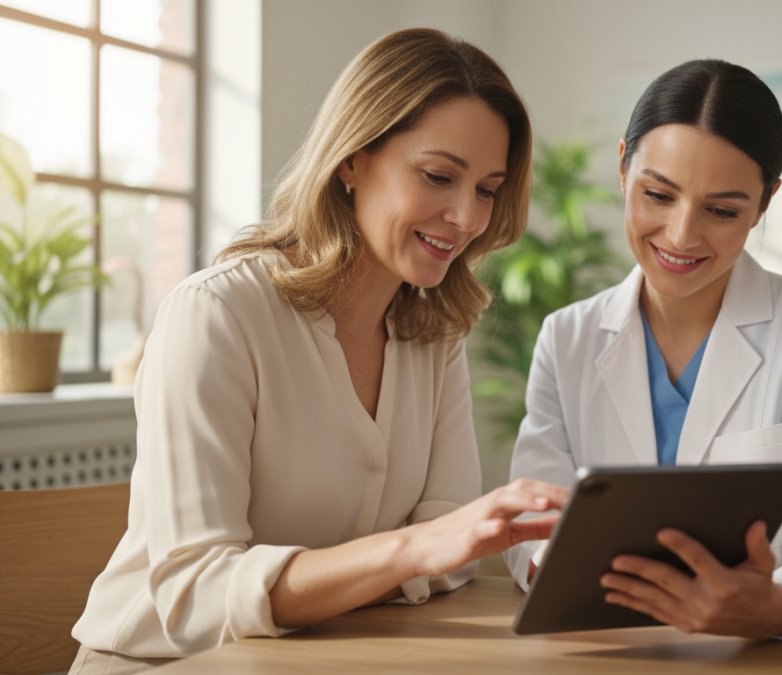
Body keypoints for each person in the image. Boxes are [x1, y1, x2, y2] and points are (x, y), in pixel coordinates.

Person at [70, 28, 566, 673]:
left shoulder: (434, 329)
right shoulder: (218, 313)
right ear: (351, 160)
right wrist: (414, 552)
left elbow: (455, 549)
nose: (467, 218)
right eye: (439, 176)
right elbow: (194, 595)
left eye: (487, 189)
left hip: (330, 652)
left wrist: (419, 552)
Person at [504, 59, 782, 642]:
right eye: (658, 195)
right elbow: (534, 522)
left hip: (764, 654)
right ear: (623, 168)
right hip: (603, 647)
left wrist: (778, 605)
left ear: (765, 202)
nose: (681, 235)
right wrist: (559, 566)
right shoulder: (566, 337)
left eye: (722, 211)